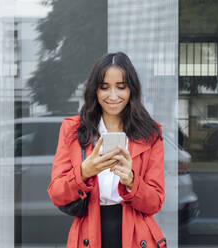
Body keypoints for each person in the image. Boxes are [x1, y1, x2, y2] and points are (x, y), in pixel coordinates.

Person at [48, 52, 166, 248]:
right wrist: (84, 172)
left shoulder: (151, 133)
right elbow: (57, 194)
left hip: (137, 237)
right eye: (104, 88)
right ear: (95, 90)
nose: (113, 96)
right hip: (89, 234)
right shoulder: (73, 130)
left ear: (131, 90)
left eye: (121, 87)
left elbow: (154, 203)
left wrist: (131, 181)